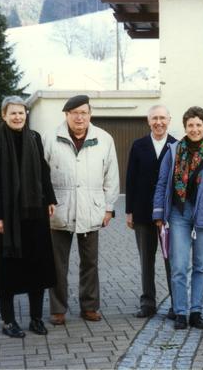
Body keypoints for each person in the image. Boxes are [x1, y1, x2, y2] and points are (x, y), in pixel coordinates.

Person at [0, 95, 57, 338]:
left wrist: (51, 199)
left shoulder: (34, 138)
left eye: (21, 112)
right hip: (8, 216)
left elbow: (43, 170)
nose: (18, 117)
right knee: (8, 270)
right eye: (12, 113)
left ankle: (36, 319)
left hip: (35, 211)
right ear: (4, 115)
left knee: (38, 266)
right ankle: (8, 321)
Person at [43, 95, 120, 325]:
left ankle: (90, 306)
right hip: (58, 210)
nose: (79, 117)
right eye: (74, 113)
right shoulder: (50, 138)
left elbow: (112, 176)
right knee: (57, 264)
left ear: (90, 114)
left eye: (84, 112)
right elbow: (41, 176)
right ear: (66, 115)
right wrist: (44, 201)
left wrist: (108, 208)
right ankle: (58, 309)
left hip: (91, 209)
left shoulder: (104, 139)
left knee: (90, 263)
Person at [153, 106, 203, 330]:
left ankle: (196, 311)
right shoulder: (174, 150)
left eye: (198, 125)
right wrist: (158, 212)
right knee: (178, 265)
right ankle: (180, 312)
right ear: (185, 127)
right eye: (190, 125)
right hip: (178, 214)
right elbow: (161, 183)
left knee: (201, 265)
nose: (194, 129)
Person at [125, 105, 176, 319]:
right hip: (143, 213)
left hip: (169, 214)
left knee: (171, 259)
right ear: (148, 121)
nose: (158, 122)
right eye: (154, 118)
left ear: (169, 120)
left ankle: (177, 303)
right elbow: (131, 179)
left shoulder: (177, 146)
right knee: (147, 259)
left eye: (162, 118)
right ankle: (148, 303)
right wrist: (129, 211)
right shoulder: (139, 146)